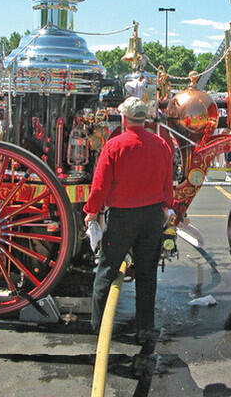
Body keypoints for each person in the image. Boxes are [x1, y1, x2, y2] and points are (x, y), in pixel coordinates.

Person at [85, 97, 174, 343]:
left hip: (123, 217)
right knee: (147, 274)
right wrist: (167, 207)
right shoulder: (160, 144)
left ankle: (100, 326)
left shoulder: (114, 145)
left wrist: (92, 212)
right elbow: (168, 182)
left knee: (106, 270)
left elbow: (100, 186)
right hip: (152, 215)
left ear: (124, 119)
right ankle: (145, 328)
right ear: (145, 119)